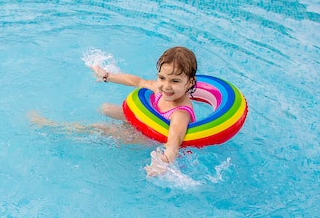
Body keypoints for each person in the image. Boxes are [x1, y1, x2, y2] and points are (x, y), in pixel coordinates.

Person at [29, 46, 198, 175]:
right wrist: (106, 76)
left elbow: (173, 141)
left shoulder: (180, 114)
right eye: (162, 78)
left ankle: (54, 127)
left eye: (175, 81)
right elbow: (137, 81)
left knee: (101, 128)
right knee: (107, 109)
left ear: (190, 83)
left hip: (149, 139)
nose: (166, 86)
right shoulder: (160, 88)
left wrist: (163, 161)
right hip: (148, 124)